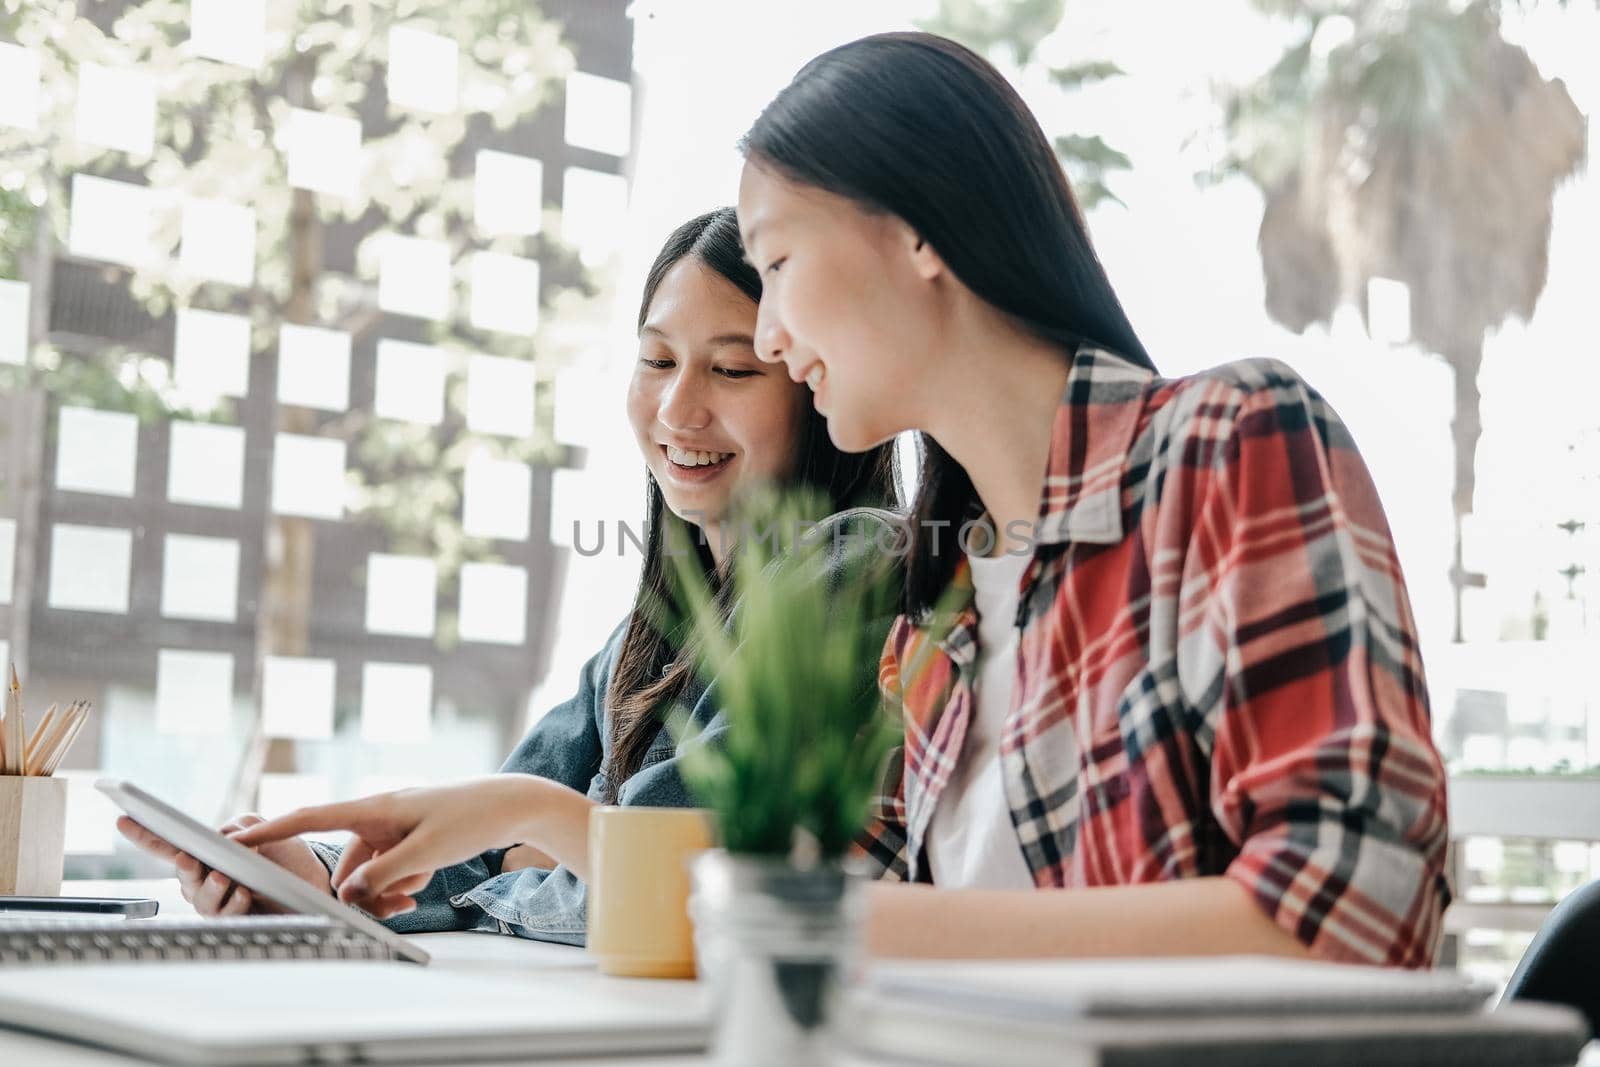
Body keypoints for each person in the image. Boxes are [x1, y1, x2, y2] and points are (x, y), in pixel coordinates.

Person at [731, 32, 1449, 968]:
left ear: (917, 229)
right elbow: (816, 925)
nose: (767, 337)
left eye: (776, 264)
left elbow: (1356, 902)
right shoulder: (931, 624)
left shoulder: (1230, 446)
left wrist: (875, 931)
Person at [119, 207, 899, 941]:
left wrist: (544, 838)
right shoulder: (650, 634)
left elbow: (664, 874)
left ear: (816, 381)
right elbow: (487, 842)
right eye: (657, 360)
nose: (676, 408)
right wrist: (315, 880)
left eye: (732, 369)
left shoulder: (857, 561)